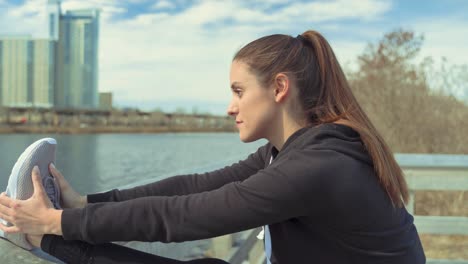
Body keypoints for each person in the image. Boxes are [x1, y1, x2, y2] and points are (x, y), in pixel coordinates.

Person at [0, 30, 426, 264]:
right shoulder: (293, 151)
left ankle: (45, 241)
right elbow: (193, 186)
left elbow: (186, 218)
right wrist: (85, 203)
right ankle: (48, 240)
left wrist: (59, 223)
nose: (229, 106)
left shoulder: (318, 167)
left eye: (239, 90)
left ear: (279, 88)